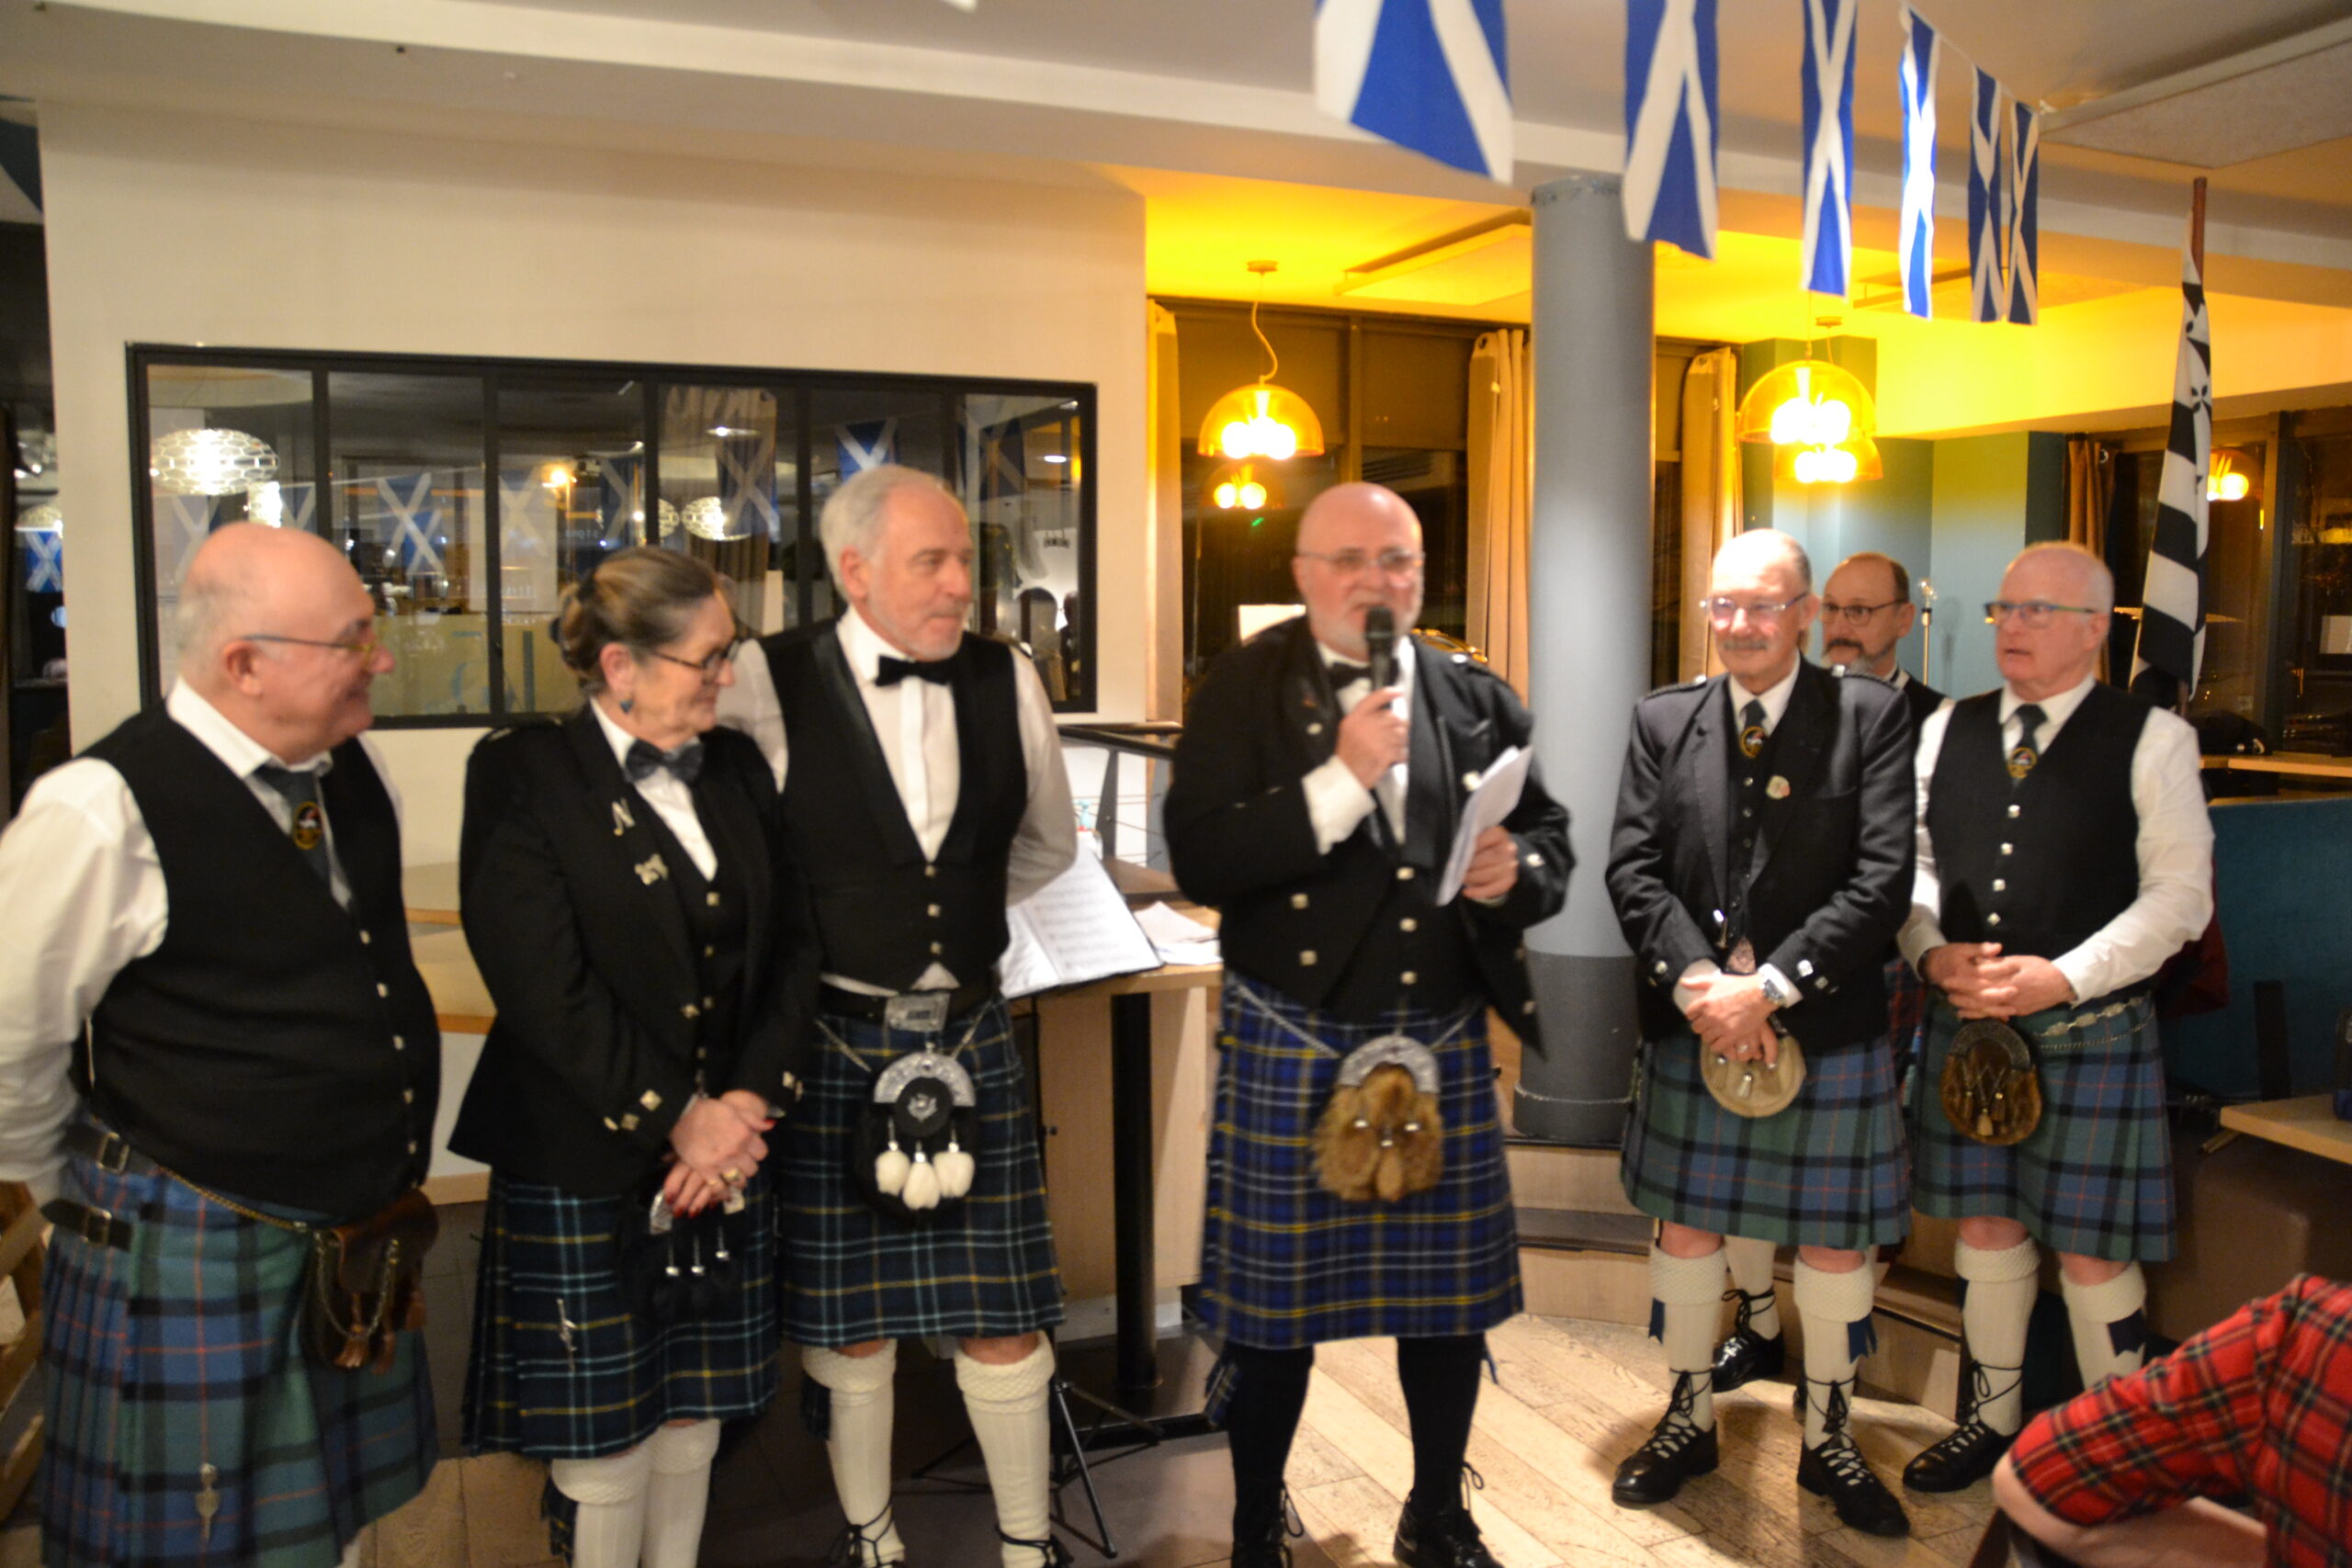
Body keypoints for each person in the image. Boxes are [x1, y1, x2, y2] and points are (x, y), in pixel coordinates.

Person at [0, 524, 440, 1568]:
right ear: (244, 664)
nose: (379, 659)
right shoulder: (99, 809)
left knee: (330, 1526)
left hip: (347, 1236)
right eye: (352, 640)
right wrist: (78, 1195)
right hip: (190, 1249)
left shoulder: (348, 767)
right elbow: (10, 1038)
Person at [1166, 482, 1572, 1568]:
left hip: (1439, 1038)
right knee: (1272, 1320)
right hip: (1293, 1035)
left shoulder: (1473, 692)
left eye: (1396, 560)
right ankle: (1256, 1526)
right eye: (1347, 560)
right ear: (1303, 574)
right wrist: (1341, 776)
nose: (1374, 581)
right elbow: (1203, 857)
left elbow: (1550, 837)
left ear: (1422, 574)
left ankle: (1434, 1514)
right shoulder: (1241, 689)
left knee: (1446, 1311)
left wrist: (1516, 870)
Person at [718, 464, 1078, 1568]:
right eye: (933, 561)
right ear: (855, 570)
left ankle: (1027, 1550)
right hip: (831, 1036)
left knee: (1003, 1315)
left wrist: (949, 927)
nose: (961, 582)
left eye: (965, 557)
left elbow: (1047, 843)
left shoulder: (1007, 674)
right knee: (851, 1323)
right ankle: (870, 1542)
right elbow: (731, 862)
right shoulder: (764, 677)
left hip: (970, 1029)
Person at [454, 547, 813, 1568]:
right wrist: (682, 1118)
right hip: (586, 1152)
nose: (727, 676)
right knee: (605, 1442)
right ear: (620, 666)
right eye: (708, 657)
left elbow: (795, 944)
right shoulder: (523, 772)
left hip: (727, 1150)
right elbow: (542, 985)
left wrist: (744, 1103)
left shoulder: (736, 765)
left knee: (697, 1413)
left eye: (730, 651)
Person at [1605, 529, 1917, 1537]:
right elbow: (1631, 869)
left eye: (1763, 604)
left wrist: (1771, 988)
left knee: (1834, 1241)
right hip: (1693, 1017)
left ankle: (1829, 1435)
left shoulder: (1868, 715)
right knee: (1687, 1229)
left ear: (1805, 614)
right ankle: (1688, 1416)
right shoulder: (1664, 719)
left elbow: (1882, 880)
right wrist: (1703, 984)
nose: (1739, 624)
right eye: (1723, 604)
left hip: (1822, 1023)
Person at [1899, 541, 2214, 1493]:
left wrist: (2065, 978)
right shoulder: (1945, 726)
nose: (2015, 627)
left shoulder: (2154, 738)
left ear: (2093, 630)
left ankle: (2119, 1455)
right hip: (1967, 1029)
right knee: (1986, 1227)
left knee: (2091, 1248)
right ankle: (1990, 1424)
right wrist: (1929, 949)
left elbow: (2180, 897)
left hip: (2088, 1033)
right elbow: (1913, 862)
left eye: (2040, 610)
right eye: (2006, 609)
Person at [1714, 548, 1944, 1396]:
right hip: (1761, 976)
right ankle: (1758, 1323)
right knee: (1742, 1153)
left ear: (1903, 619)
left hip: (1879, 971)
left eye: (1863, 610)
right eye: (1834, 608)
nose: (1844, 625)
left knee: (1855, 1186)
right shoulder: (1776, 704)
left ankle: (1835, 1364)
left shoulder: (1938, 720)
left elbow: (1920, 862)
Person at [1992, 1273, 2352, 1568]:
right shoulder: (2308, 1333)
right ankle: (1997, 1415)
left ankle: (2123, 1435)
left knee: (2094, 1257)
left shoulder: (2312, 1328)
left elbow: (2037, 1474)